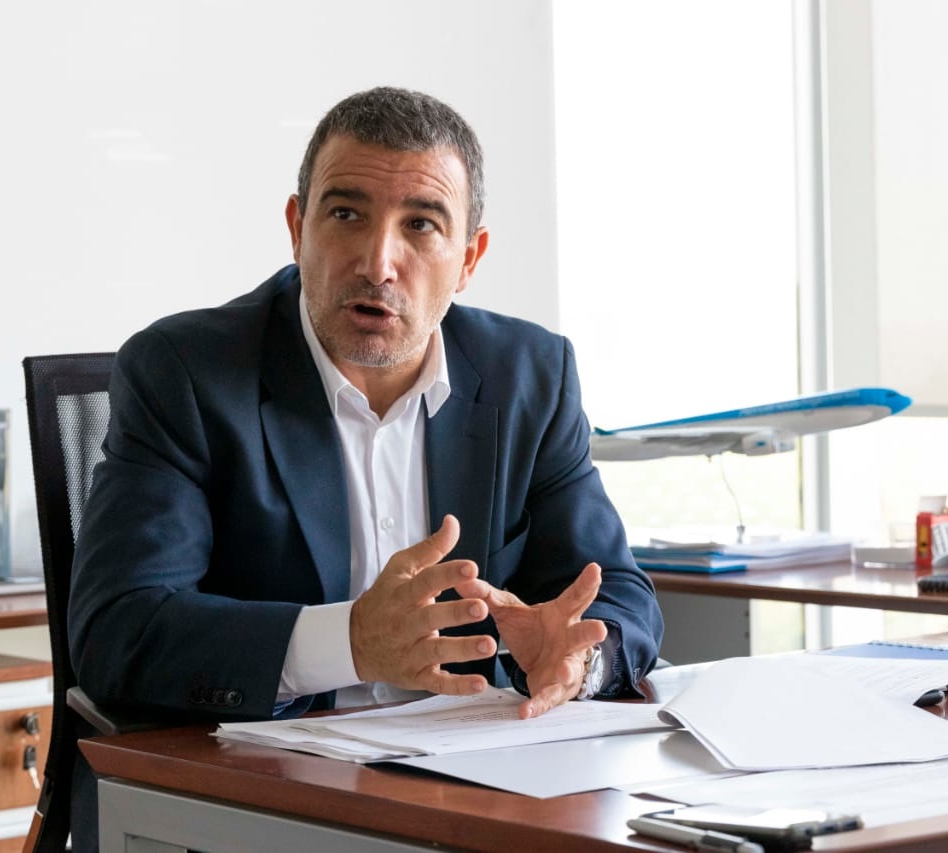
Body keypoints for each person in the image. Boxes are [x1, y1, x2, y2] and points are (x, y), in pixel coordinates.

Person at [66, 86, 664, 847]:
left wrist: (579, 659)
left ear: (469, 259)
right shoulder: (184, 371)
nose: (378, 262)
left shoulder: (530, 374)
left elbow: (619, 592)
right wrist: (348, 641)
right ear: (297, 228)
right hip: (260, 796)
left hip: (474, 787)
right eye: (346, 213)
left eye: (422, 224)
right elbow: (120, 632)